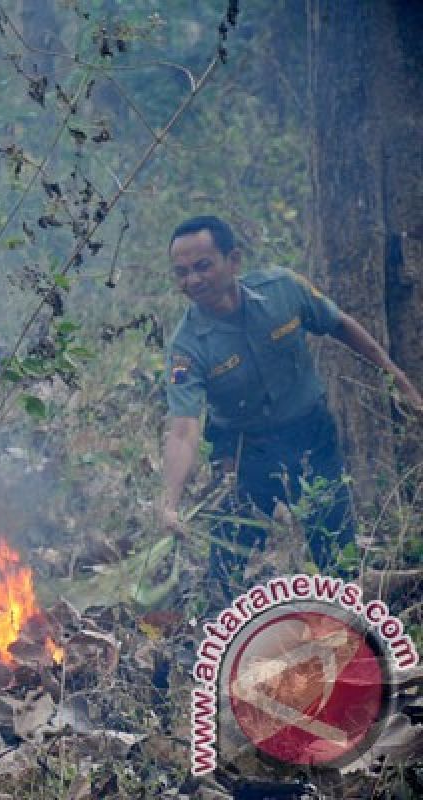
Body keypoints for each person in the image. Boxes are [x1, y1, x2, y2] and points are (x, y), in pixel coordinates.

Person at [158, 216, 423, 594]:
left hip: (311, 435)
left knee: (335, 551)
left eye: (203, 266)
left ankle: (358, 609)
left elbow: (340, 324)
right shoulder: (186, 348)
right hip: (243, 452)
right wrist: (170, 502)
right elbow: (184, 429)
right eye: (182, 273)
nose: (193, 281)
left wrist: (400, 383)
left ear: (233, 260)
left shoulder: (283, 289)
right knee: (227, 568)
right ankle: (225, 636)